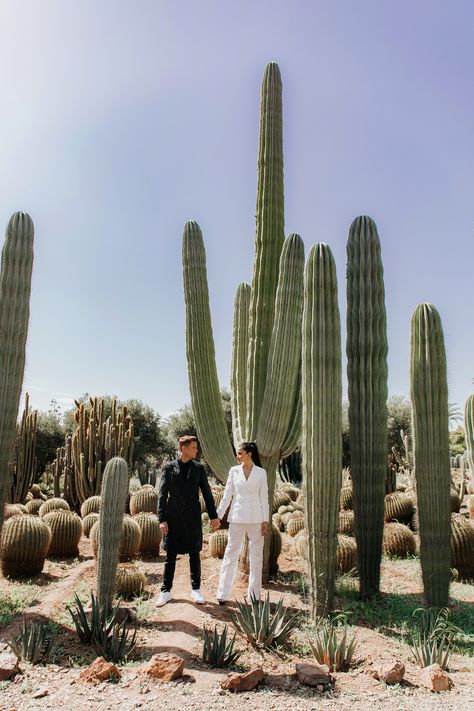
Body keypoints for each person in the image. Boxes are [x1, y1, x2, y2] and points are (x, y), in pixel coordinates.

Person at [156, 435, 219, 607]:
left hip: (192, 517)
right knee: (170, 555)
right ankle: (165, 591)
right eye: (194, 448)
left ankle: (196, 589)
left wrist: (213, 516)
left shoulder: (198, 468)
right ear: (183, 448)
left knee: (194, 553)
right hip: (173, 517)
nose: (196, 451)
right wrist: (162, 518)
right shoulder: (168, 468)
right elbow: (162, 494)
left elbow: (207, 493)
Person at [216, 441, 269, 604]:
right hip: (237, 518)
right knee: (230, 554)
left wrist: (265, 520)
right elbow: (227, 495)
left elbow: (264, 497)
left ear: (249, 454)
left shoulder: (261, 473)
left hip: (256, 519)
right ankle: (222, 594)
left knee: (256, 557)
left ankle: (254, 596)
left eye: (240, 453)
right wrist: (217, 516)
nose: (237, 456)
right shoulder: (234, 471)